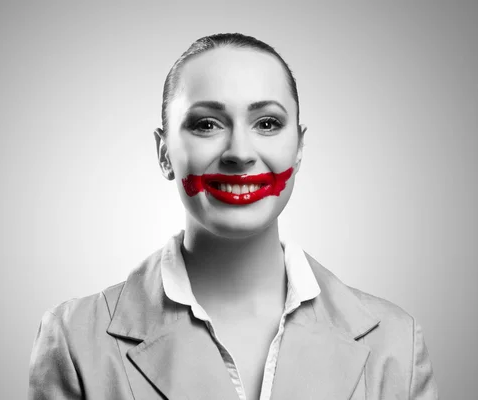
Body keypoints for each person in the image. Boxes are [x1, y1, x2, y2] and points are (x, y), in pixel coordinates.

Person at [28, 33, 438, 400]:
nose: (239, 152)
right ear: (164, 153)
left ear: (299, 149)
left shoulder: (395, 342)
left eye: (267, 123)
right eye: (207, 124)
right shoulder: (74, 340)